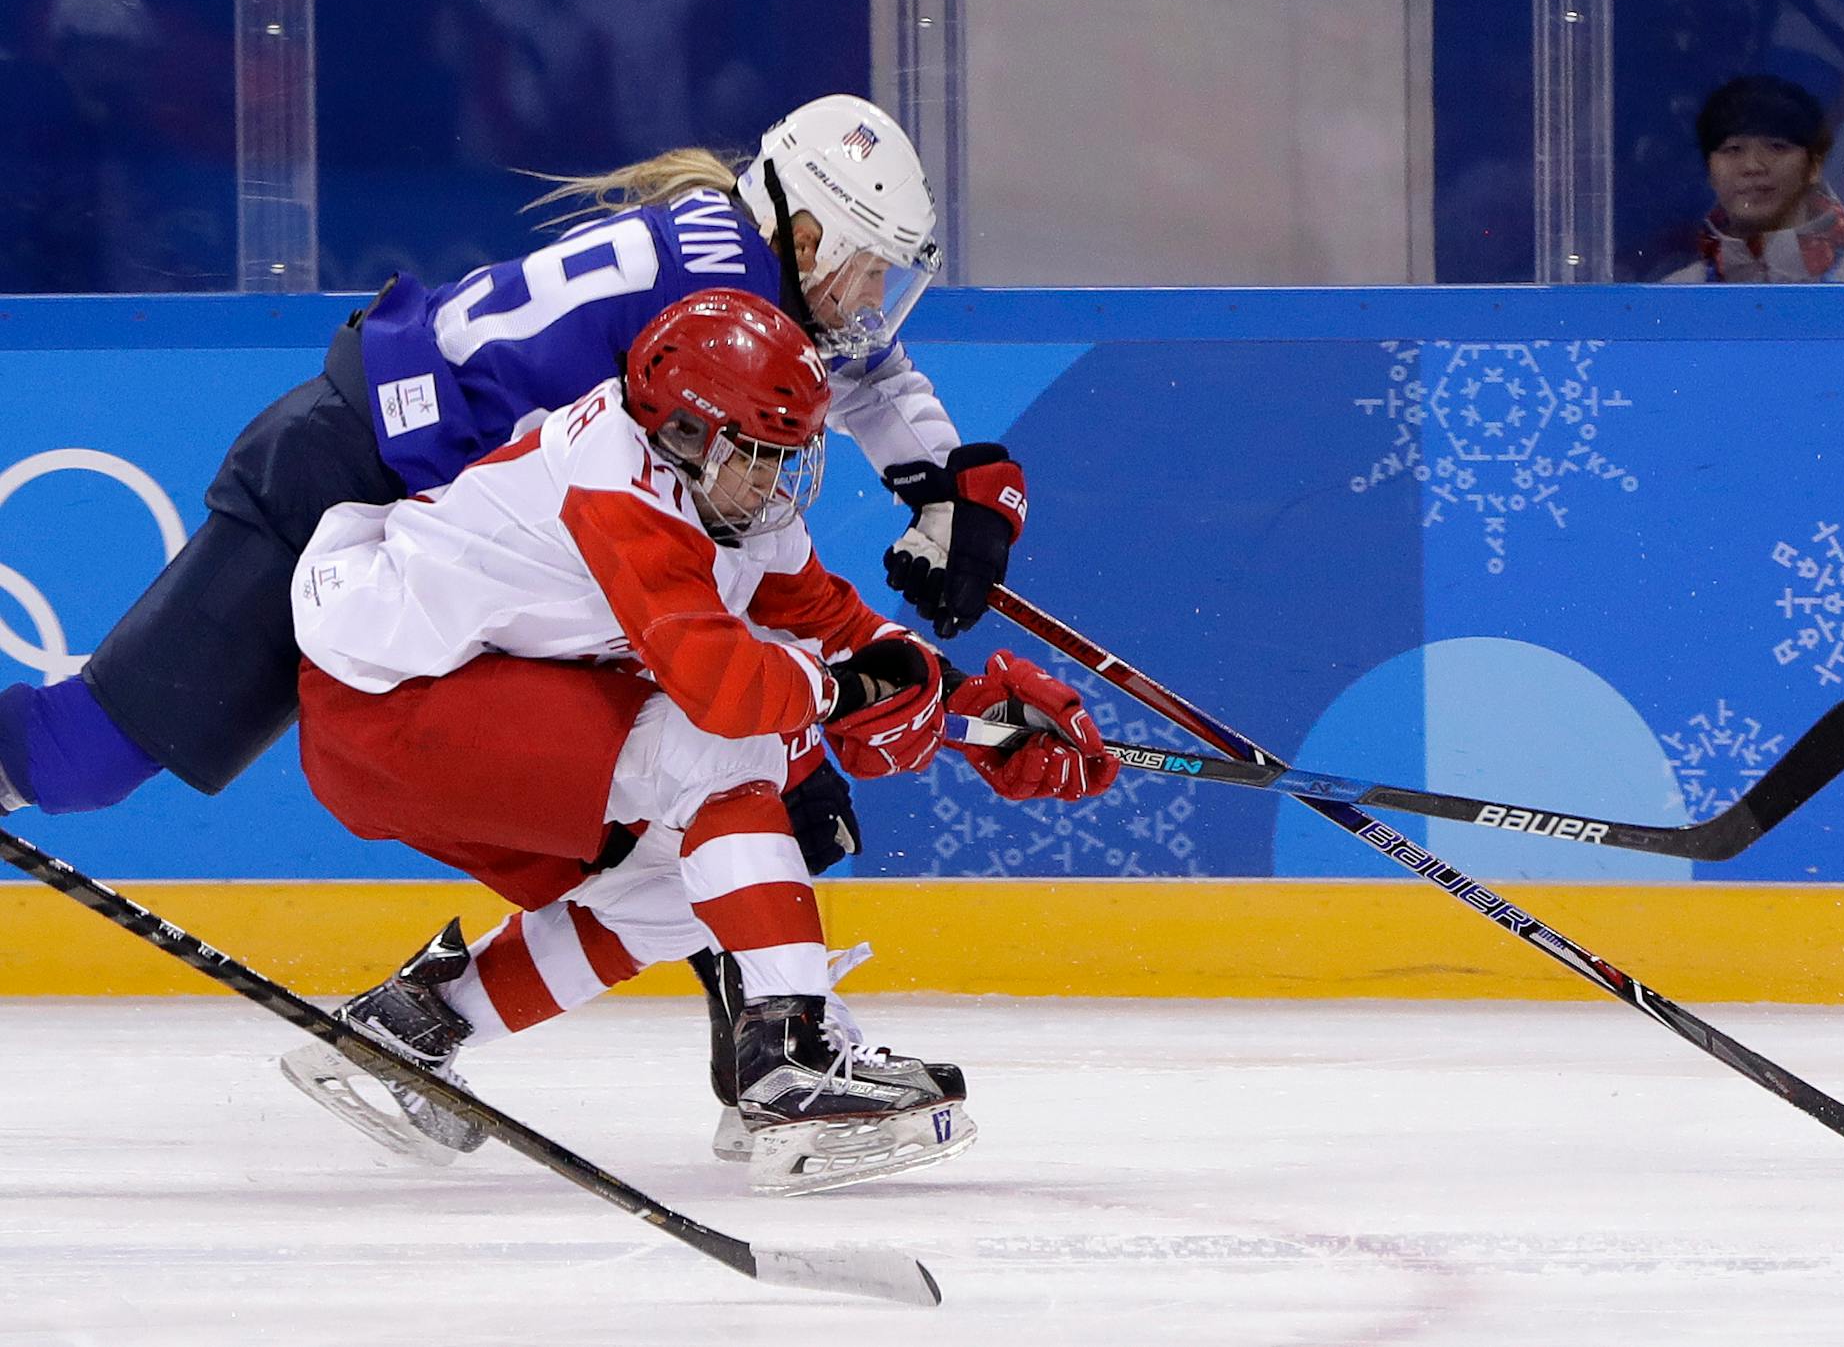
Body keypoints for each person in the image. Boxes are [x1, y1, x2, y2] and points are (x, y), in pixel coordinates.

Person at [276, 288, 1116, 1194]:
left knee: (680, 892)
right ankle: (791, 1068)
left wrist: (976, 711)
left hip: (449, 708)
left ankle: (418, 1025)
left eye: (787, 455)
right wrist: (852, 698)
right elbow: (723, 690)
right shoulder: (616, 483)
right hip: (391, 712)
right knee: (727, 755)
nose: (773, 480)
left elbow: (830, 626)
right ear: (685, 430)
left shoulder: (724, 492)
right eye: (757, 454)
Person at [0, 92, 1019, 820]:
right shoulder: (730, 307)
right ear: (804, 236)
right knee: (79, 762)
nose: (874, 300)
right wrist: (933, 537)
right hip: (344, 472)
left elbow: (861, 371)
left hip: (407, 493)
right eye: (868, 269)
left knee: (654, 775)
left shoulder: (741, 265)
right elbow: (756, 540)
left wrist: (944, 482)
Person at [1661, 75, 1844, 285]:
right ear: (1710, 171)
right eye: (1733, 149)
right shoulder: (1672, 299)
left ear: (1814, 166)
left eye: (1776, 147)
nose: (1753, 166)